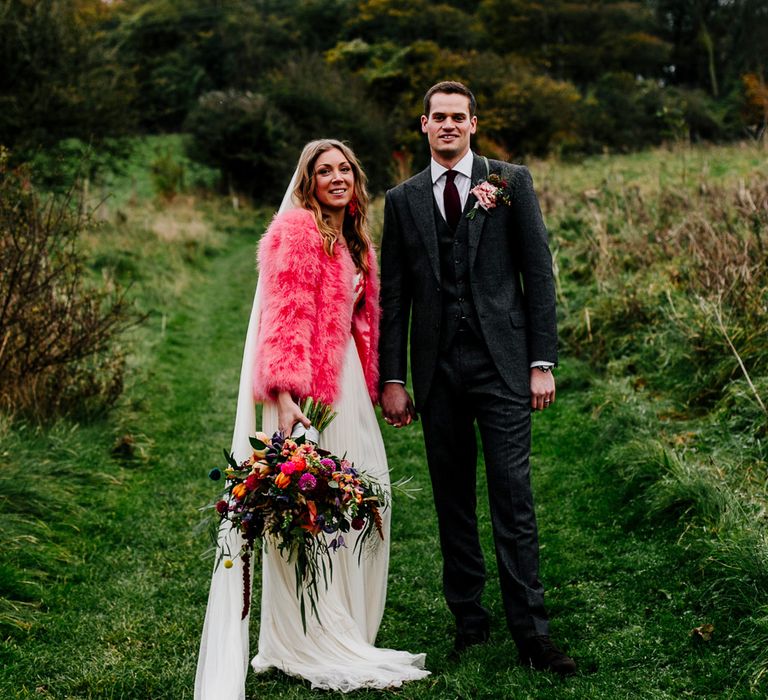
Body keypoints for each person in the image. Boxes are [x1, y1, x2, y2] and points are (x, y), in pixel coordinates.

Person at [195, 139, 429, 699]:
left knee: (364, 497)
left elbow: (361, 322)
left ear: (355, 177)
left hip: (349, 384)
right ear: (309, 181)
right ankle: (307, 633)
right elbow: (284, 316)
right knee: (314, 510)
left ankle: (348, 621)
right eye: (324, 170)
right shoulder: (298, 231)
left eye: (344, 168)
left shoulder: (354, 236)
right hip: (310, 389)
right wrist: (282, 396)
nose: (337, 177)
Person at [378, 82, 576, 675]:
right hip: (437, 370)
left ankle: (532, 633)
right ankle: (469, 621)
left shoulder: (510, 182)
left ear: (472, 124)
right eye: (437, 117)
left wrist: (542, 362)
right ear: (423, 125)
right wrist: (393, 377)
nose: (447, 126)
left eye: (457, 118)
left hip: (504, 365)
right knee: (453, 501)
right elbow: (394, 297)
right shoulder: (403, 199)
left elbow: (537, 273)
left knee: (513, 498)